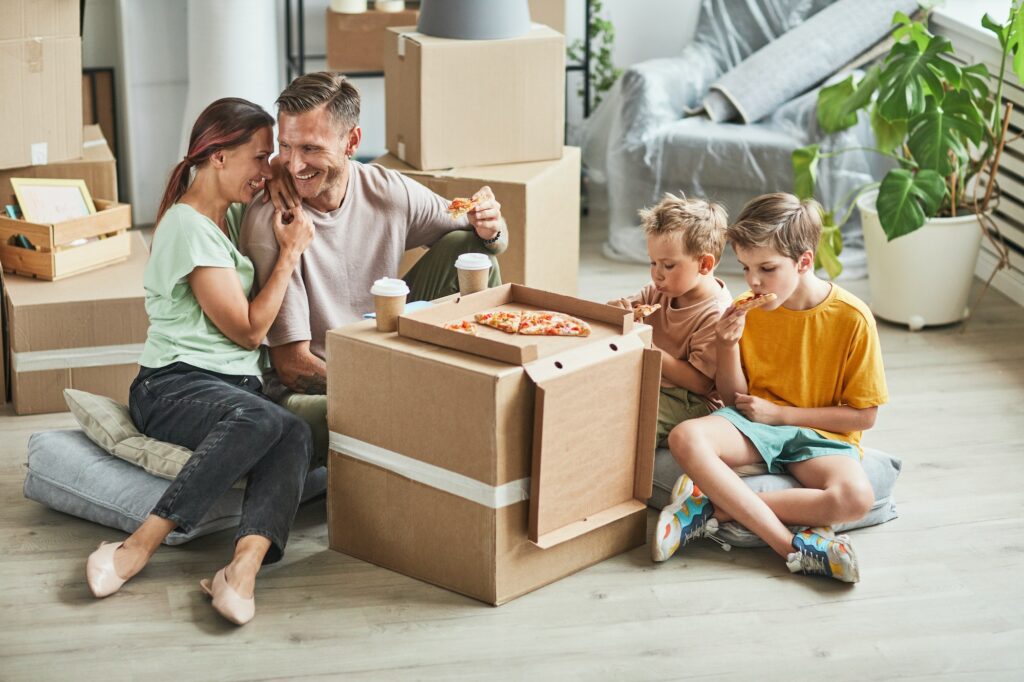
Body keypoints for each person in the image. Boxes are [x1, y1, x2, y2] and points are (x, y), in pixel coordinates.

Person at [84, 98, 317, 626]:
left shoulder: (228, 215)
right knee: (265, 419)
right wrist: (289, 254)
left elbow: (279, 174)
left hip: (232, 391)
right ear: (217, 156)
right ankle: (139, 545)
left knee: (296, 432)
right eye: (257, 159)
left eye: (266, 159)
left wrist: (278, 165)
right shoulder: (186, 226)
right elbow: (250, 329)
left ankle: (240, 572)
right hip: (172, 386)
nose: (264, 171)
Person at [239, 73, 509, 466]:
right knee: (347, 417)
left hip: (385, 353)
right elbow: (293, 367)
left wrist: (493, 226)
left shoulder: (388, 191)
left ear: (352, 142)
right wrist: (392, 385)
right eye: (285, 147)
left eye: (311, 148)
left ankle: (480, 385)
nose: (294, 165)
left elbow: (476, 228)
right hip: (315, 392)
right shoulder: (273, 221)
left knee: (466, 250)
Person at [652, 193, 887, 583]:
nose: (753, 281)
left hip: (821, 438)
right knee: (686, 437)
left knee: (856, 497)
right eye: (745, 268)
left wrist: (782, 415)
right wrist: (727, 344)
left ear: (804, 261)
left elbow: (865, 415)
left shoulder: (853, 319)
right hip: (753, 427)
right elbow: (730, 399)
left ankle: (714, 508)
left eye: (767, 268)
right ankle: (792, 548)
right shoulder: (749, 310)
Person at [608, 192, 733, 446]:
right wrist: (614, 312)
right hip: (653, 380)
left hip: (692, 402)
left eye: (668, 265)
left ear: (705, 264)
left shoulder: (716, 313)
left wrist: (645, 345)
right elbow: (626, 310)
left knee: (625, 423)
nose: (657, 274)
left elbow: (700, 383)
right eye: (653, 262)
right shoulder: (657, 292)